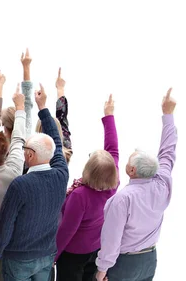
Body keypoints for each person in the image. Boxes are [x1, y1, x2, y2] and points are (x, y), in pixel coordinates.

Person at [0, 84, 69, 281]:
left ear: (29, 155)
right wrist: (43, 108)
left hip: (19, 259)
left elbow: (5, 226)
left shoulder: (21, 185)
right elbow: (57, 142)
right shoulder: (62, 173)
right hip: (47, 254)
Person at [95, 88, 177, 281]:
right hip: (149, 259)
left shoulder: (122, 199)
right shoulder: (162, 184)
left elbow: (111, 241)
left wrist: (101, 272)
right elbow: (168, 151)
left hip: (124, 264)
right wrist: (168, 115)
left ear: (131, 171)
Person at [55, 94, 120, 281]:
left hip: (74, 254)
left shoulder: (80, 196)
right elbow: (113, 149)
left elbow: (68, 229)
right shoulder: (113, 183)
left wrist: (55, 255)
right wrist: (109, 117)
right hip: (96, 247)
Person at [0, 84, 27, 281]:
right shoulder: (14, 171)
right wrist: (21, 108)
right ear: (7, 152)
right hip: (5, 240)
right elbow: (19, 139)